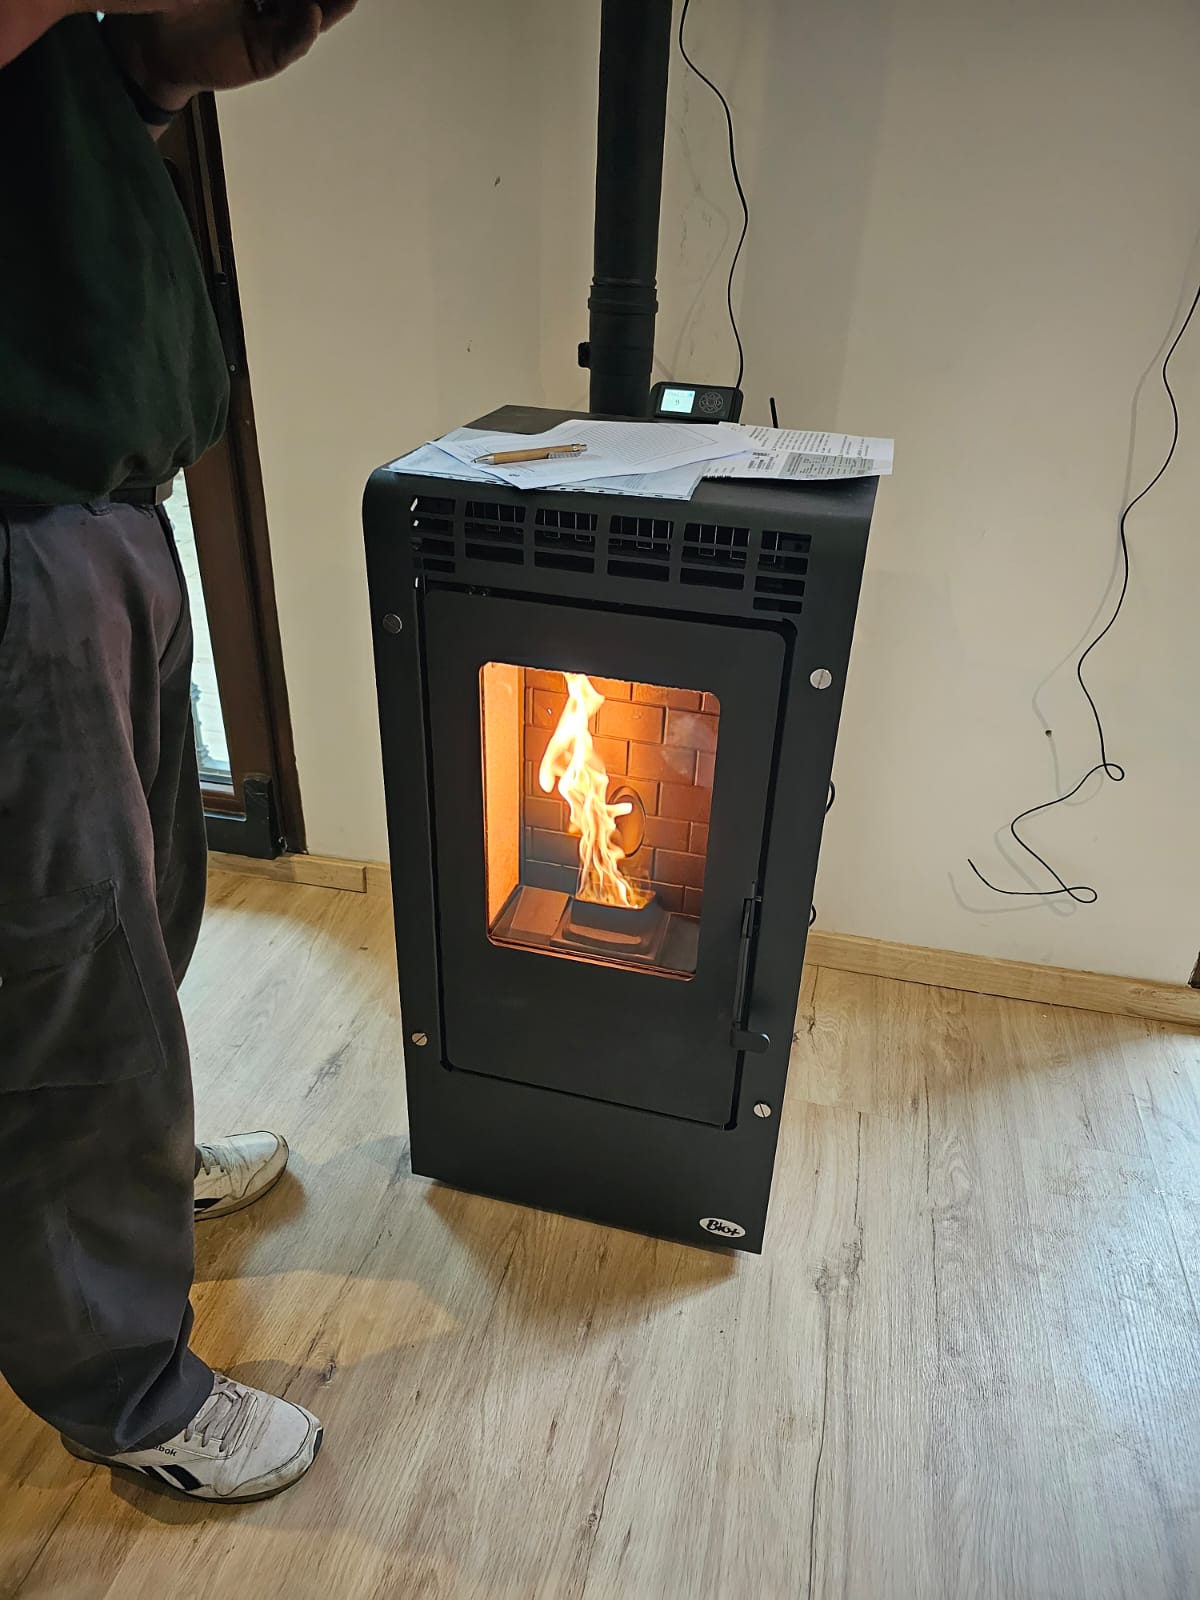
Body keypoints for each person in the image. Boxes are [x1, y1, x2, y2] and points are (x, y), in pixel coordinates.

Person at [0, 0, 358, 1505]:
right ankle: (123, 1387)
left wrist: (141, 75)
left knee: (142, 912)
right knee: (59, 978)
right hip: (16, 516)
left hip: (107, 491)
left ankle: (136, 1176)